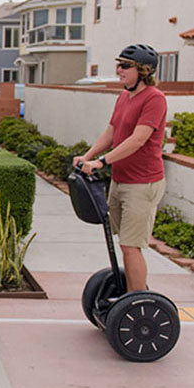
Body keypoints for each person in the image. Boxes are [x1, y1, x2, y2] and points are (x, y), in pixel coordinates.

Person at [73, 44, 167, 292]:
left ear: (143, 71)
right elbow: (112, 132)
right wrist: (88, 155)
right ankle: (129, 296)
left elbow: (138, 139)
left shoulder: (155, 99)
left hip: (143, 183)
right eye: (118, 64)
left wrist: (101, 162)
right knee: (122, 244)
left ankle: (137, 302)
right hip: (122, 179)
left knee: (130, 245)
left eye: (125, 66)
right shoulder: (124, 97)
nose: (119, 70)